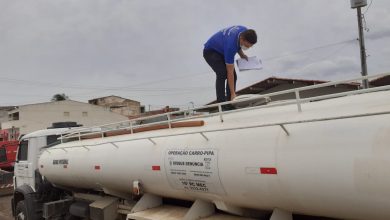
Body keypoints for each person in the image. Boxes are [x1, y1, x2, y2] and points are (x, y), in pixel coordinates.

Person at [203, 25, 257, 103]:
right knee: (222, 73)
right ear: (242, 39)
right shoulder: (230, 47)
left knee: (234, 76)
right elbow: (230, 72)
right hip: (210, 51)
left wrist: (241, 54)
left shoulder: (244, 30)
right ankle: (222, 102)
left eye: (250, 46)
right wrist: (233, 93)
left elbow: (238, 44)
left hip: (222, 49)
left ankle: (230, 101)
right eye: (246, 46)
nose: (247, 48)